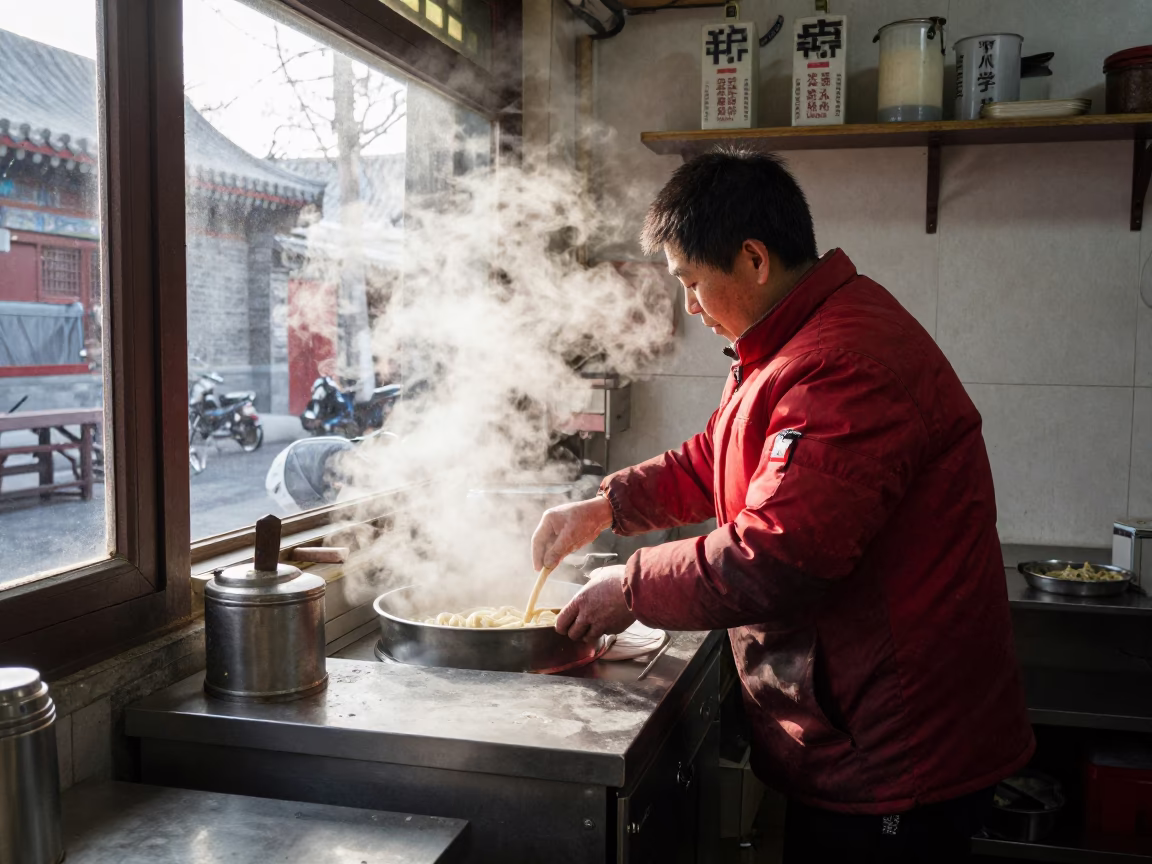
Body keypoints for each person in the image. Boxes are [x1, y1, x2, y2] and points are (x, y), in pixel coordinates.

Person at [531, 149, 1034, 863]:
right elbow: (716, 456)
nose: (690, 306)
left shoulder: (841, 362)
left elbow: (777, 554)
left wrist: (633, 586)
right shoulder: (788, 345)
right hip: (859, 730)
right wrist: (605, 506)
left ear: (754, 259)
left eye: (692, 282)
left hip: (895, 751)